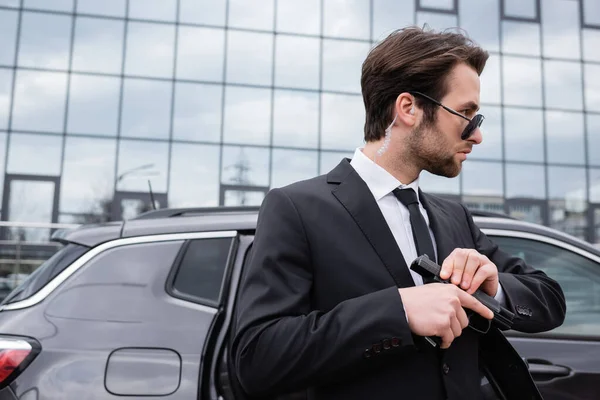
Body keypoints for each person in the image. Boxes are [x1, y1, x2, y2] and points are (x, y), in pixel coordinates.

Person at [230, 26, 566, 400]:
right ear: (408, 108)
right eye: (467, 114)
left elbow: (549, 299)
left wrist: (496, 287)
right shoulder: (297, 209)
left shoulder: (454, 217)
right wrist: (397, 312)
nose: (476, 135)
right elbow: (257, 359)